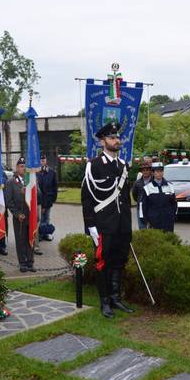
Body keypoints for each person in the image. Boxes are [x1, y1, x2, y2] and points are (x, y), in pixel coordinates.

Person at [81, 121, 133, 318]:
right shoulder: (93, 166)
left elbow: (125, 197)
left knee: (119, 261)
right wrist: (90, 225)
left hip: (122, 225)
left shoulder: (123, 165)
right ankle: (104, 302)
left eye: (117, 137)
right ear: (103, 142)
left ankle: (115, 297)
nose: (116, 140)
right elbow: (86, 197)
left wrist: (128, 223)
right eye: (112, 137)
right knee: (104, 262)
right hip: (103, 225)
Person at [5, 157, 35, 273]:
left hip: (30, 216)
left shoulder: (30, 181)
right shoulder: (11, 182)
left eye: (24, 166)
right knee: (21, 240)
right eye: (21, 166)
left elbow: (38, 196)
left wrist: (31, 190)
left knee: (30, 239)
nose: (23, 168)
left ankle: (30, 262)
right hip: (20, 217)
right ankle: (22, 263)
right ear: (17, 168)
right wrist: (17, 214)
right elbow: (9, 201)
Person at [139, 162, 177, 232]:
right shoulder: (147, 188)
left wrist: (173, 216)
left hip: (168, 221)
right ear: (153, 173)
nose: (160, 173)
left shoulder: (170, 186)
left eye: (161, 171)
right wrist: (144, 220)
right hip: (154, 222)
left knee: (168, 241)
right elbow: (143, 205)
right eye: (157, 171)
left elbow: (174, 203)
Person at [37, 153, 58, 241]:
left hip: (48, 200)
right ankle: (40, 234)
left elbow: (55, 187)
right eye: (41, 160)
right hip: (40, 201)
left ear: (46, 161)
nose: (42, 161)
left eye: (44, 160)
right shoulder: (36, 173)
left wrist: (53, 199)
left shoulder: (52, 172)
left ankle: (46, 234)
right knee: (40, 219)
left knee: (47, 218)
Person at [132, 156, 153, 230]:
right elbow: (134, 195)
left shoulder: (154, 182)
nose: (145, 171)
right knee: (142, 228)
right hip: (140, 209)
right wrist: (140, 200)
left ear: (150, 171)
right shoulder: (137, 183)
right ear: (141, 171)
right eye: (143, 170)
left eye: (147, 170)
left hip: (152, 208)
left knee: (153, 228)